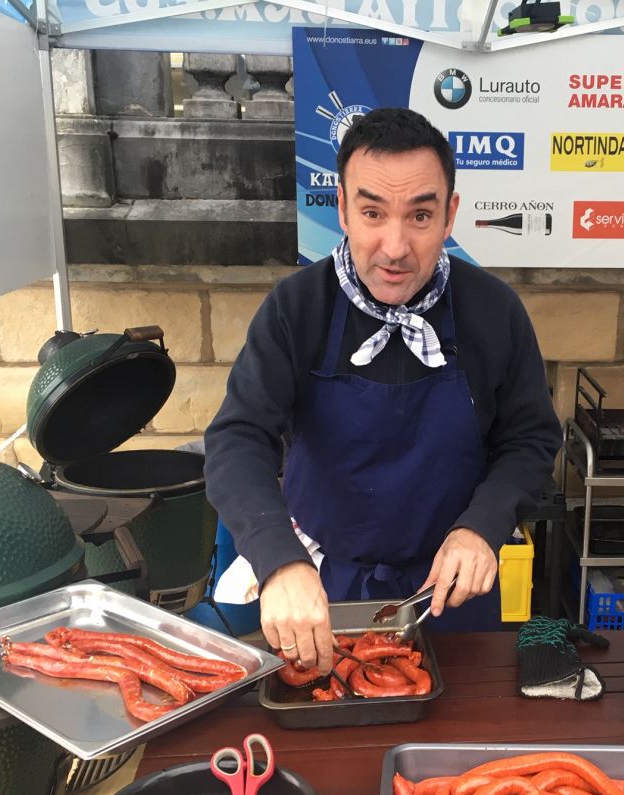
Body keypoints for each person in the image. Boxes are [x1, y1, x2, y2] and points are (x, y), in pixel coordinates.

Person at [204, 107, 560, 674]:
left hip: (450, 592)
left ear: (450, 216)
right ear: (342, 209)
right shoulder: (298, 308)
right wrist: (278, 560)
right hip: (322, 593)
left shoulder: (494, 311)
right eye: (373, 212)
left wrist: (483, 526)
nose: (394, 247)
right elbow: (237, 439)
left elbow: (531, 439)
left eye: (420, 216)